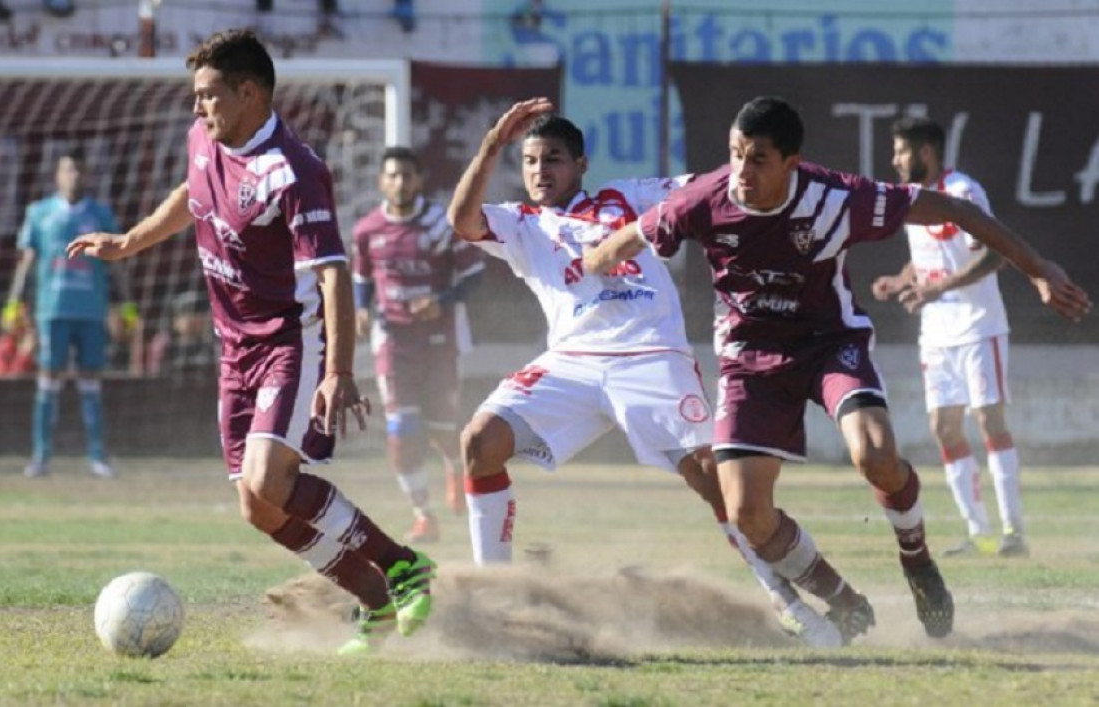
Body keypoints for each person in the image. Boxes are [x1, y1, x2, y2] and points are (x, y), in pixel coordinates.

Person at [583, 96, 1091, 643]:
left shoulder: (838, 197)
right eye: (735, 155)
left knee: (874, 454)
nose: (742, 172)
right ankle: (845, 601)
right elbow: (624, 240)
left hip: (830, 344)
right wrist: (592, 262)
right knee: (747, 513)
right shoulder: (705, 198)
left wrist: (1039, 271)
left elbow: (957, 211)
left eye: (758, 159)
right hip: (749, 358)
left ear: (791, 163)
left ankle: (916, 556)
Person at [65, 28, 435, 656]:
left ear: (248, 93)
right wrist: (128, 241)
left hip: (290, 341)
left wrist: (338, 370)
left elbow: (334, 272)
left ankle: (403, 565)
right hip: (233, 348)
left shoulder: (294, 171)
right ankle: (373, 603)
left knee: (269, 481)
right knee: (257, 508)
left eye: (208, 96)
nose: (197, 108)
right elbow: (194, 193)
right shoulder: (203, 140)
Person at [447, 97, 846, 648]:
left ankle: (790, 601)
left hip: (651, 355)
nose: (541, 171)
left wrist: (776, 174)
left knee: (714, 480)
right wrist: (492, 144)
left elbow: (715, 185)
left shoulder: (627, 197)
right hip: (572, 362)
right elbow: (461, 221)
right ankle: (492, 601)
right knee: (479, 442)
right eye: (532, 160)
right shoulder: (520, 224)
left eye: (554, 159)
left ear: (581, 165)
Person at [873, 117, 1027, 558]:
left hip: (979, 326)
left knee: (989, 423)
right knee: (943, 428)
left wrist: (936, 289)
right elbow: (926, 258)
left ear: (925, 153)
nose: (894, 160)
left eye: (901, 151)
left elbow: (996, 254)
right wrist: (900, 279)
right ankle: (977, 533)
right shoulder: (912, 201)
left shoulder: (963, 193)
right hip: (936, 333)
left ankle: (1013, 532)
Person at [352, 146, 485, 543]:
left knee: (444, 429)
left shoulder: (441, 225)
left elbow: (474, 275)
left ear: (419, 180)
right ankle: (424, 515)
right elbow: (361, 277)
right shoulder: (367, 230)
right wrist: (361, 308)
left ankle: (455, 468)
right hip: (392, 340)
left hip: (439, 341)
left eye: (406, 176)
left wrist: (441, 302)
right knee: (401, 430)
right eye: (391, 175)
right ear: (381, 181)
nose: (399, 183)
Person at [2, 147, 137, 479]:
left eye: (78, 170)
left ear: (87, 175)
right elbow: (28, 261)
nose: (73, 176)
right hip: (52, 309)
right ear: (57, 175)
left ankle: (96, 456)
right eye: (67, 170)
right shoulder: (40, 212)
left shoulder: (99, 214)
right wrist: (13, 303)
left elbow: (117, 259)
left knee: (91, 381)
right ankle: (41, 456)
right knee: (48, 380)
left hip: (92, 309)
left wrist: (129, 304)